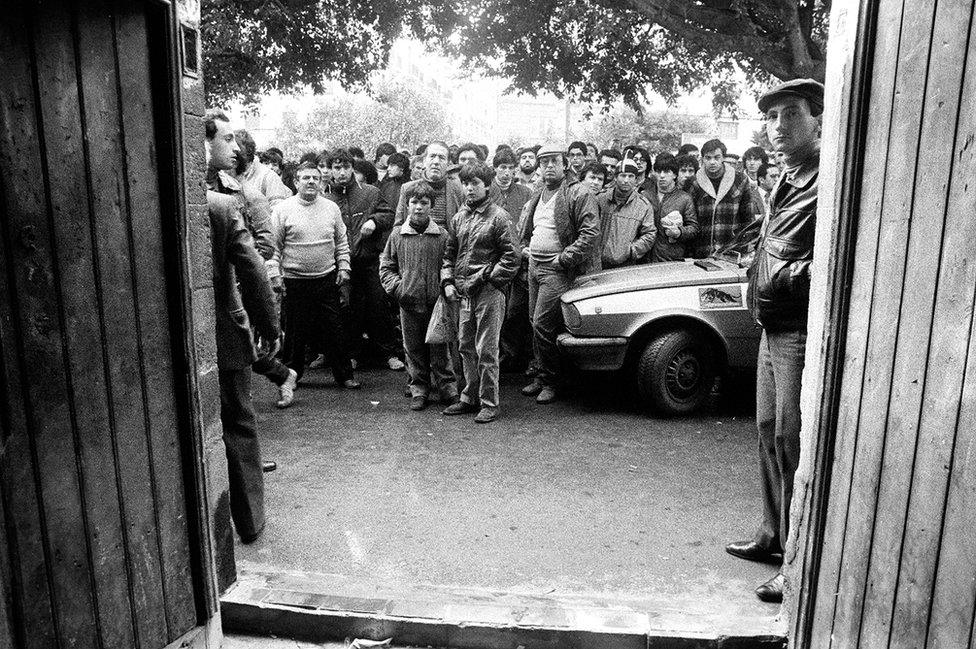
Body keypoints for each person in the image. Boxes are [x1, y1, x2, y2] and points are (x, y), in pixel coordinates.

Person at [725, 78, 824, 605]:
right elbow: (775, 244)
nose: (777, 128)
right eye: (771, 118)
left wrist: (783, 277)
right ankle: (773, 533)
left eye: (790, 116)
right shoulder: (788, 177)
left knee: (791, 438)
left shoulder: (826, 178)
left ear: (817, 121)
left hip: (798, 327)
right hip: (774, 322)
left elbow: (828, 259)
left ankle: (797, 560)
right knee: (767, 429)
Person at [205, 114, 279, 544]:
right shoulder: (221, 205)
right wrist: (268, 326)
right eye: (227, 138)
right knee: (238, 423)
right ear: (204, 141)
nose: (235, 146)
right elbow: (252, 269)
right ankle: (250, 522)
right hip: (224, 333)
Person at [518, 143, 599, 404]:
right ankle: (542, 376)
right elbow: (529, 226)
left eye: (554, 161)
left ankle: (552, 380)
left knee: (543, 324)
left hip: (557, 271)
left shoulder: (578, 192)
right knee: (533, 322)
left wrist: (564, 258)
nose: (549, 166)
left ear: (565, 164)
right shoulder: (538, 191)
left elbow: (590, 233)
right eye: (544, 162)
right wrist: (524, 247)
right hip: (534, 267)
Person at [441, 162, 519, 423]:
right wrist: (448, 282)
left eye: (475, 183)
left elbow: (512, 259)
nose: (470, 188)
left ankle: (489, 403)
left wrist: (489, 278)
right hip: (463, 293)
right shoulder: (459, 217)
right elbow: (449, 254)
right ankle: (468, 397)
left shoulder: (499, 217)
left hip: (488, 293)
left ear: (487, 185)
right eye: (466, 183)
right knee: (465, 346)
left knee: (487, 349)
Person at [272, 161, 360, 390]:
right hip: (294, 281)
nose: (311, 182)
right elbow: (273, 247)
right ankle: (291, 377)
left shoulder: (331, 208)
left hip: (326, 279)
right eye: (305, 178)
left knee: (335, 329)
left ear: (321, 182)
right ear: (295, 182)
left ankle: (345, 375)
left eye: (315, 178)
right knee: (294, 334)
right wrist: (275, 276)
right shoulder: (283, 209)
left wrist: (344, 268)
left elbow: (342, 242)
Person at [379, 182, 458, 411]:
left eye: (424, 203)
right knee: (413, 349)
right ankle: (419, 389)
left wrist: (445, 286)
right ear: (407, 204)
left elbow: (448, 263)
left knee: (440, 348)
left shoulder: (441, 235)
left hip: (436, 303)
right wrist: (399, 288)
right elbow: (386, 266)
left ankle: (447, 388)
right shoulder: (398, 235)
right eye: (414, 202)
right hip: (409, 302)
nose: (419, 208)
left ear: (432, 206)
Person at [323, 148, 402, 371]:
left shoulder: (371, 193)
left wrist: (375, 221)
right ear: (330, 170)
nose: (342, 172)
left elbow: (390, 215)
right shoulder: (325, 199)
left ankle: (388, 353)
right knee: (348, 308)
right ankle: (352, 353)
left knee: (379, 305)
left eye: (346, 167)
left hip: (369, 260)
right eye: (337, 167)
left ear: (352, 169)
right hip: (341, 264)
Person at [488, 149, 533, 374]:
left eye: (510, 168)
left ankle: (511, 354)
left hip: (518, 259)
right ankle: (495, 355)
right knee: (493, 309)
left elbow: (529, 226)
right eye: (502, 168)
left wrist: (523, 249)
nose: (506, 173)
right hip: (493, 260)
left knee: (515, 311)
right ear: (495, 168)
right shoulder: (487, 191)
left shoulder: (525, 192)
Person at [688, 139, 756, 258]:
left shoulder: (740, 179)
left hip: (732, 248)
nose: (712, 162)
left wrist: (747, 247)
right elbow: (689, 220)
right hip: (701, 249)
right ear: (702, 159)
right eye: (708, 158)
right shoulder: (694, 182)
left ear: (723, 158)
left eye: (716, 157)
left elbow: (748, 218)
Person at [596, 154, 655, 269]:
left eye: (630, 176)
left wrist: (631, 250)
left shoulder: (643, 205)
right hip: (596, 263)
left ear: (636, 179)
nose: (626, 180)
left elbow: (650, 234)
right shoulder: (601, 199)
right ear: (615, 177)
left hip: (625, 265)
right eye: (622, 175)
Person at [395, 141, 465, 231]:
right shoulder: (407, 188)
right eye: (432, 156)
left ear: (448, 164)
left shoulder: (458, 189)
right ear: (424, 161)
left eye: (442, 158)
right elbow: (398, 226)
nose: (436, 162)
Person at [648, 155, 699, 262]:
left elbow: (694, 228)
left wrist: (680, 232)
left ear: (675, 174)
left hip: (671, 258)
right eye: (658, 171)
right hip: (645, 257)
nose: (662, 175)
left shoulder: (684, 198)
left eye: (667, 172)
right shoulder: (645, 195)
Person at [235, 129, 292, 208]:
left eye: (237, 146)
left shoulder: (268, 177)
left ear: (248, 150)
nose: (232, 149)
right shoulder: (226, 173)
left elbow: (278, 210)